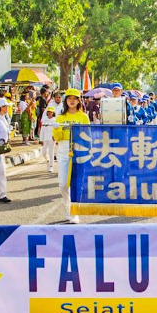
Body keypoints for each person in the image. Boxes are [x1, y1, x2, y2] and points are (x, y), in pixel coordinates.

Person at [54, 88, 90, 223]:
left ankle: (74, 212)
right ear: (66, 101)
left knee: (76, 183)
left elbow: (88, 135)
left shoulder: (83, 117)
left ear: (79, 101)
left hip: (79, 151)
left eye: (74, 98)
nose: (72, 101)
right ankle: (67, 207)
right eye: (69, 98)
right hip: (64, 151)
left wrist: (88, 151)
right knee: (63, 184)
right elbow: (57, 137)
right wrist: (56, 128)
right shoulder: (61, 117)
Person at [40, 105, 58, 173]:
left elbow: (56, 130)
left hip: (52, 138)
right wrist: (41, 139)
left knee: (51, 152)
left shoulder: (55, 120)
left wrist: (56, 138)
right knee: (44, 152)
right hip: (45, 138)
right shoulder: (45, 120)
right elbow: (42, 130)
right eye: (48, 112)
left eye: (51, 112)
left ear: (53, 113)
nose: (50, 113)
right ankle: (47, 160)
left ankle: (51, 166)